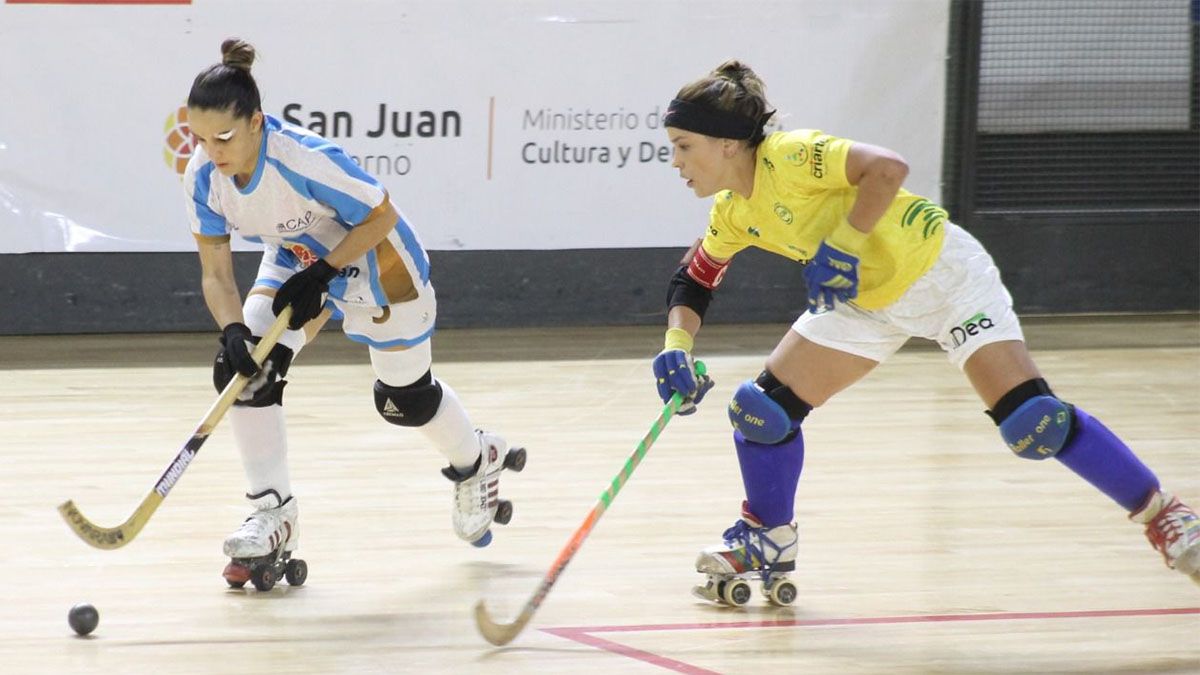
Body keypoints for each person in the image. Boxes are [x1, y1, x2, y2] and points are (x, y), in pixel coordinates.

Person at [652, 60, 1200, 605]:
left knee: (1034, 424)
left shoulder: (791, 155)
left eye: (683, 145)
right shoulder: (731, 211)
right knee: (761, 412)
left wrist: (841, 244)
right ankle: (768, 536)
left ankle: (1165, 515)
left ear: (727, 144)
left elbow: (887, 169)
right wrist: (677, 345)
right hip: (864, 301)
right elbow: (694, 280)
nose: (675, 160)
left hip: (942, 277)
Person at [182, 39, 523, 587]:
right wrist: (233, 330)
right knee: (245, 371)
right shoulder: (204, 176)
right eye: (201, 138)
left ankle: (477, 460)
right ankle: (273, 513)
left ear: (256, 122)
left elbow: (381, 215)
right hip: (294, 255)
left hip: (376, 260)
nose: (212, 151)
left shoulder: (300, 158)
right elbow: (216, 274)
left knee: (404, 403)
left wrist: (324, 274)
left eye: (224, 136)